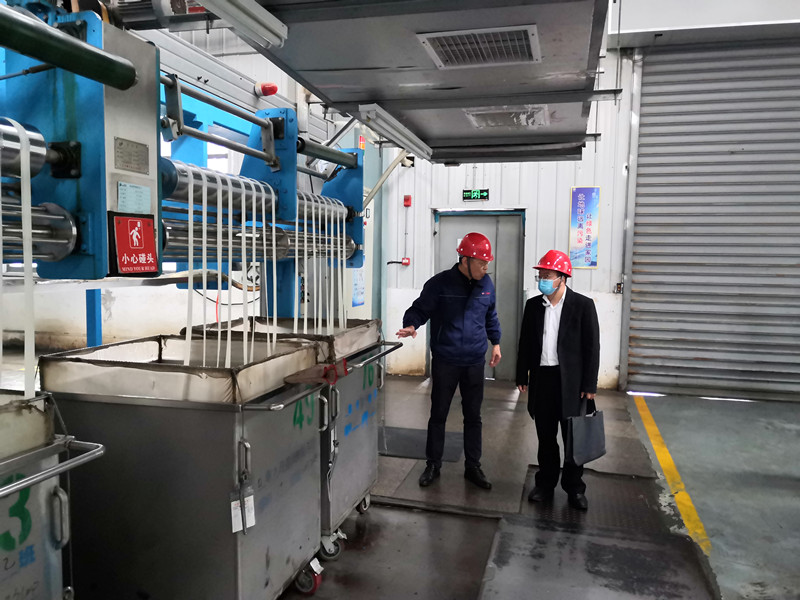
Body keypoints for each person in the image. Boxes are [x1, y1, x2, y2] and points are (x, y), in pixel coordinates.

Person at [397, 232, 502, 490]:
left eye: (487, 263)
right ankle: (433, 464)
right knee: (438, 414)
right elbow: (420, 308)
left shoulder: (487, 284)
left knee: (473, 416)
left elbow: (490, 315)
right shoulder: (440, 284)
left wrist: (496, 342)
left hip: (474, 361)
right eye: (481, 262)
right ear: (465, 260)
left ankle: (473, 466)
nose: (486, 267)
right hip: (446, 359)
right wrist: (411, 324)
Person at [515, 250, 600, 510]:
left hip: (571, 383)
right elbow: (525, 343)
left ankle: (575, 489)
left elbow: (592, 347)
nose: (543, 280)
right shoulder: (533, 306)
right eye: (540, 275)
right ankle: (545, 484)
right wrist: (522, 374)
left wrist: (590, 384)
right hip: (542, 380)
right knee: (546, 437)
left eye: (548, 275)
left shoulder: (583, 306)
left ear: (562, 278)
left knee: (573, 438)